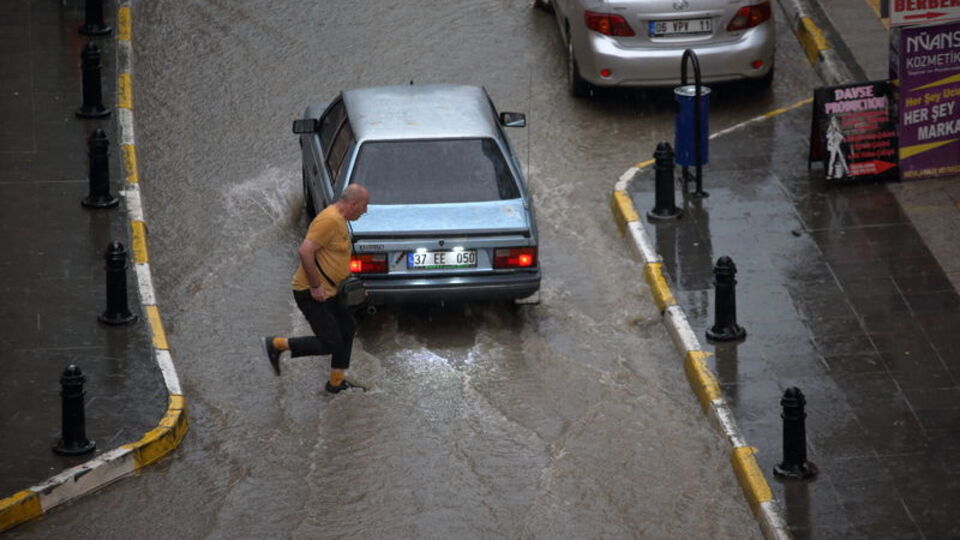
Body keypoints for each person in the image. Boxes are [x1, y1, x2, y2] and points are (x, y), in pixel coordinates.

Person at [262, 183, 370, 393]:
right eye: (365, 206)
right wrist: (315, 286)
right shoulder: (328, 220)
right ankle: (276, 345)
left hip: (332, 291)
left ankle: (336, 383)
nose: (365, 211)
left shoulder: (341, 221)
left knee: (347, 328)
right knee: (330, 342)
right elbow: (305, 252)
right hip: (311, 293)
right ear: (354, 204)